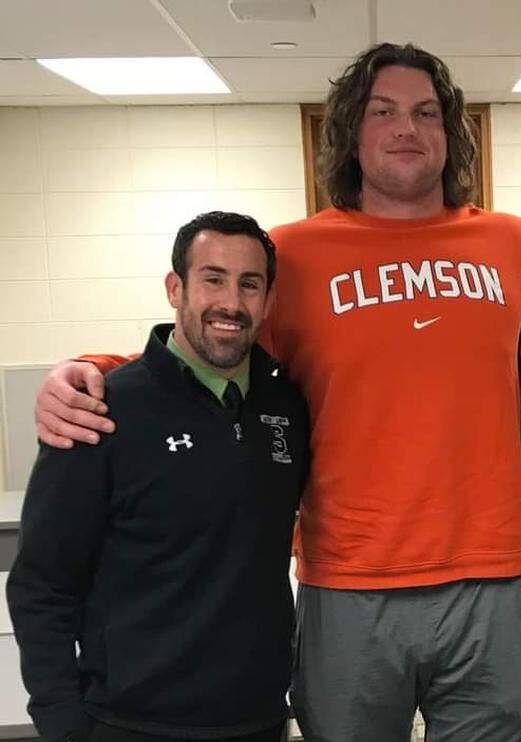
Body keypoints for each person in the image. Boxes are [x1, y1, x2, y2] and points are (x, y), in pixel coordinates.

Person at [29, 43, 521, 742]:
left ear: (450, 134)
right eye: (383, 110)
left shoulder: (508, 242)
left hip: (496, 583)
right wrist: (89, 367)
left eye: (425, 112)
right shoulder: (295, 252)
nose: (406, 128)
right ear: (351, 132)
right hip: (351, 587)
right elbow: (212, 336)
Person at [6, 212, 309, 742]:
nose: (231, 304)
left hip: (257, 719)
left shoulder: (286, 408)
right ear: (176, 288)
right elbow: (41, 586)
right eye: (212, 279)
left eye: (249, 284)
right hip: (130, 722)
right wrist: (60, 720)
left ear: (268, 298)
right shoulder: (100, 410)